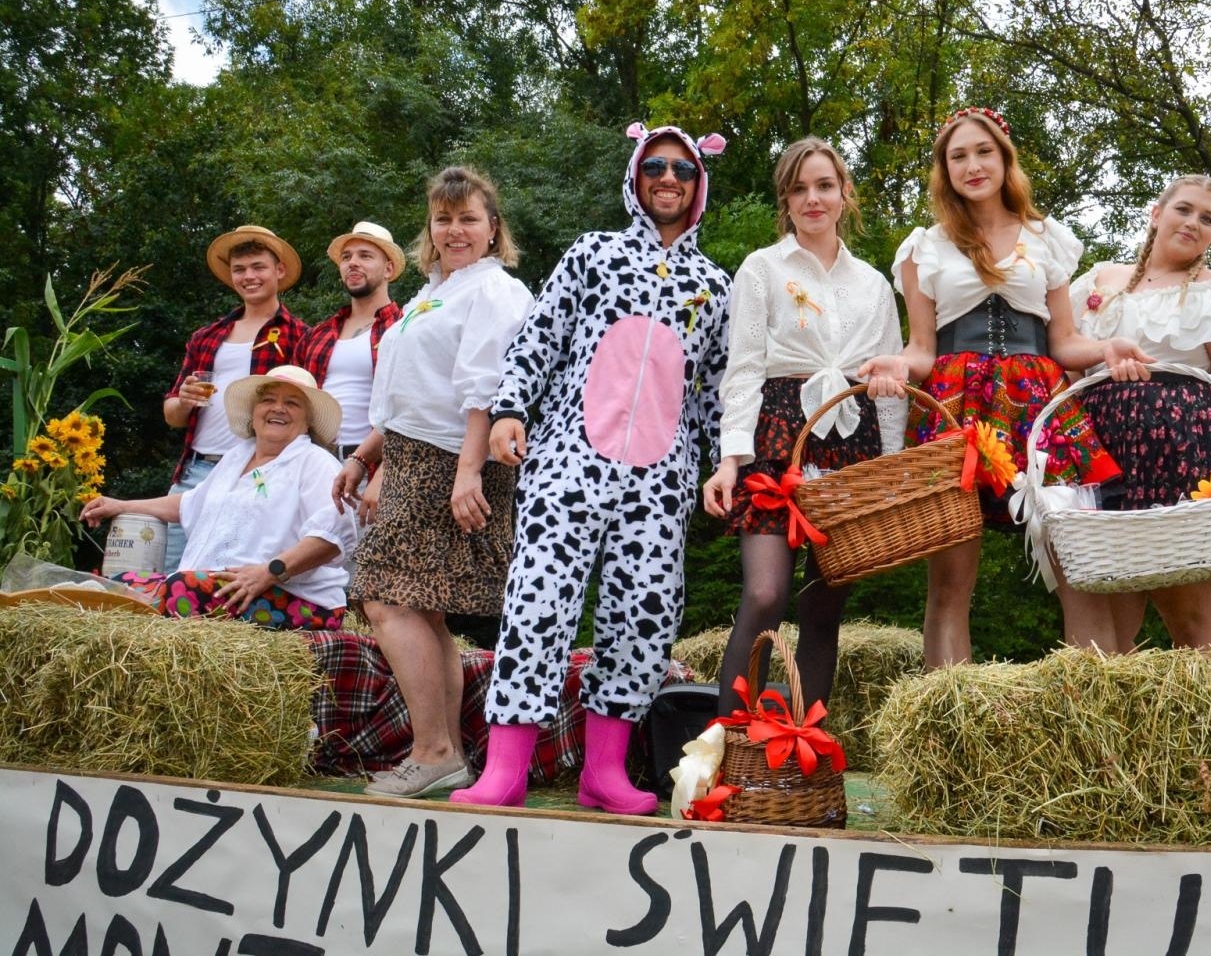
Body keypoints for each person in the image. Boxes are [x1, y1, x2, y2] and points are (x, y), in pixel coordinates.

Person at [451, 122, 730, 814]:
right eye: (655, 167)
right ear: (636, 177)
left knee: (644, 616)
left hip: (659, 480)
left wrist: (726, 464)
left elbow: (719, 389)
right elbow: (538, 336)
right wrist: (512, 408)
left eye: (683, 171)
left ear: (699, 187)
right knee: (537, 608)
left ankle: (605, 771)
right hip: (569, 461)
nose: (668, 179)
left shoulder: (715, 286)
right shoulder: (593, 255)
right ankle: (505, 770)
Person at [857, 107, 1148, 668]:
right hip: (953, 404)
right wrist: (895, 364)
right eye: (957, 155)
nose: (972, 165)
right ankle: (950, 726)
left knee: (1076, 565)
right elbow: (922, 348)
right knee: (950, 579)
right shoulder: (925, 247)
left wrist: (1107, 349)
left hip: (1040, 401)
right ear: (945, 169)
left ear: (1004, 159)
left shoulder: (1048, 238)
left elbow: (1064, 340)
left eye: (983, 151)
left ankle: (1094, 720)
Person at [334, 167, 534, 799]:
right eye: (443, 219)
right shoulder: (434, 292)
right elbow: (407, 395)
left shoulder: (494, 292)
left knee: (384, 597)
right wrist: (368, 455)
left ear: (492, 227)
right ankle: (442, 750)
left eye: (468, 218)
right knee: (418, 607)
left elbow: (486, 389)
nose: (454, 230)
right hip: (414, 456)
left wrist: (468, 471)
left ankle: (434, 749)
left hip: (451, 458)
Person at [701, 137, 906, 717]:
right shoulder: (761, 268)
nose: (812, 198)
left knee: (826, 603)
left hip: (854, 436)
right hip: (778, 431)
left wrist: (889, 473)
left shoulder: (873, 283)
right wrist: (729, 459)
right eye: (798, 188)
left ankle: (801, 753)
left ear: (844, 194)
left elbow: (888, 387)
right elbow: (741, 371)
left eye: (824, 185)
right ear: (785, 201)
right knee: (765, 594)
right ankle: (724, 750)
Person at [1066, 175, 1211, 652]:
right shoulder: (1099, 281)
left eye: (1208, 218)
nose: (1193, 223)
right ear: (1156, 213)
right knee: (1106, 628)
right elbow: (1063, 355)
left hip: (1189, 458)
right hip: (1101, 458)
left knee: (1195, 621)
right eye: (1184, 209)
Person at [82, 366, 355, 629]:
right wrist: (119, 505)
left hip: (297, 598)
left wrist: (268, 572)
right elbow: (190, 504)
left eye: (292, 403)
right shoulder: (237, 457)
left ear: (308, 421)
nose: (278, 408)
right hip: (213, 585)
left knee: (181, 590)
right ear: (254, 412)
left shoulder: (316, 462)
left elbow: (332, 537)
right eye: (268, 400)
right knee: (118, 585)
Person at [162, 226, 308, 572]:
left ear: (279, 270)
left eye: (258, 266)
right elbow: (171, 415)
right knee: (173, 576)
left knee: (234, 581)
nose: (249, 276)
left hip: (257, 475)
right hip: (196, 470)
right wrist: (183, 401)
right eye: (240, 269)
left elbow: (308, 414)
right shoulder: (207, 336)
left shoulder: (300, 336)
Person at [296, 221, 405, 463]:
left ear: (388, 269)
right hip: (313, 460)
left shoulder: (405, 328)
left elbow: (412, 409)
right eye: (346, 257)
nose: (352, 262)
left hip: (376, 464)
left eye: (365, 255)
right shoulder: (317, 335)